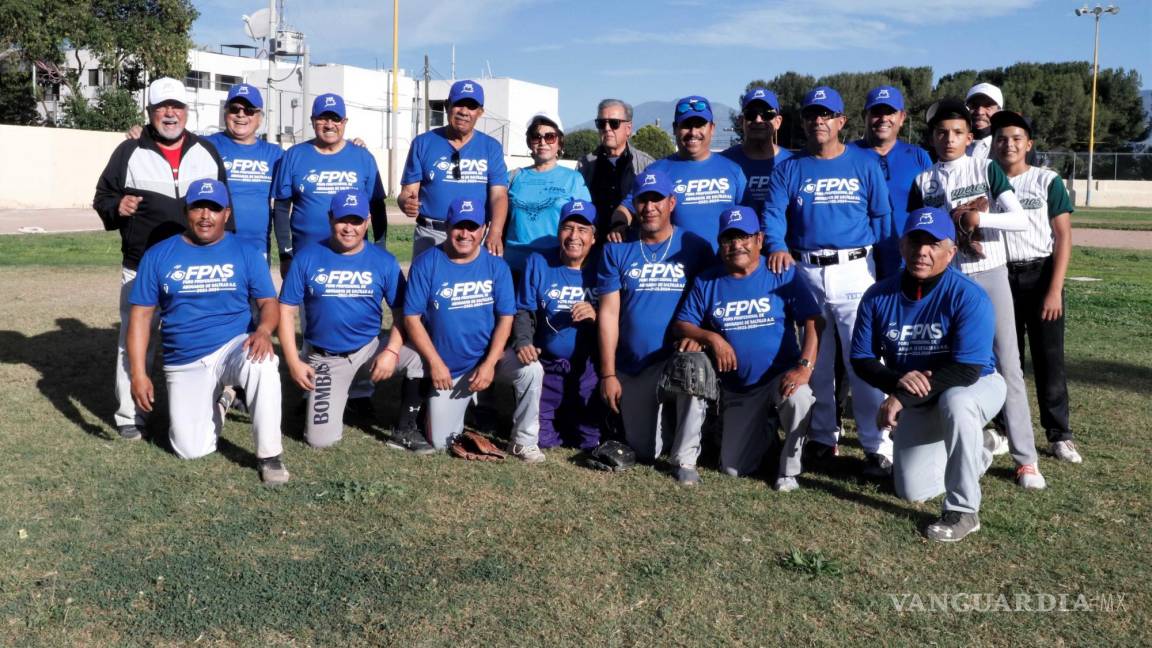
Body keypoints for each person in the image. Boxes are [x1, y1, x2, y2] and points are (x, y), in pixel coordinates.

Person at [909, 98, 1044, 490]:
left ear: (970, 136)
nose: (948, 139)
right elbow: (917, 236)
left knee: (1009, 365)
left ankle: (1026, 460)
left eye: (956, 132)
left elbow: (1020, 219)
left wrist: (977, 218)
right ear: (931, 137)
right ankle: (955, 447)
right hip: (946, 283)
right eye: (940, 132)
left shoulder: (986, 168)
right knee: (949, 365)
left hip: (988, 274)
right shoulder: (923, 181)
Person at [760, 85, 895, 475]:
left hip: (855, 266)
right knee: (815, 362)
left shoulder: (864, 162)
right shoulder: (790, 166)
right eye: (810, 115)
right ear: (802, 121)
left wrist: (886, 275)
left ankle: (877, 445)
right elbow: (773, 215)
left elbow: (882, 220)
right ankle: (822, 438)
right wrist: (776, 245)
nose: (818, 121)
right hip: (806, 268)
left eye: (826, 115)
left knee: (864, 360)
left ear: (841, 121)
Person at [851, 207, 1005, 542]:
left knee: (957, 401)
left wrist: (900, 397)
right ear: (902, 247)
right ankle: (978, 451)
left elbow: (967, 369)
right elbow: (861, 358)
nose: (923, 251)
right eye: (916, 242)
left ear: (951, 253)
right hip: (919, 393)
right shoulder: (879, 295)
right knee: (912, 491)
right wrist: (896, 383)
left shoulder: (968, 294)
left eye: (934, 244)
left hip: (976, 385)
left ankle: (964, 510)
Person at [126, 179, 289, 485]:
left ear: (226, 214)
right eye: (198, 207)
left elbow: (268, 301)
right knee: (190, 450)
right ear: (186, 210)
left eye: (214, 209)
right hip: (185, 357)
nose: (205, 215)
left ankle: (269, 456)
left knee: (263, 363)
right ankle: (224, 399)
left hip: (234, 346)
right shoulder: (159, 255)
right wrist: (138, 373)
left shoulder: (246, 251)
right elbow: (140, 316)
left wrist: (265, 330)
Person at [93, 76, 226, 441]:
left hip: (196, 268)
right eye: (162, 107)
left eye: (177, 107)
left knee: (198, 339)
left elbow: (224, 210)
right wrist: (117, 206)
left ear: (186, 111)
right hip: (142, 264)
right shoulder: (128, 151)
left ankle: (204, 407)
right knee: (135, 339)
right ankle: (129, 415)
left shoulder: (207, 152)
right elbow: (102, 197)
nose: (171, 113)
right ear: (150, 112)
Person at [673, 206, 823, 491]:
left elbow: (814, 321)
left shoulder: (780, 271)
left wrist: (804, 368)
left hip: (781, 378)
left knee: (799, 397)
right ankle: (766, 432)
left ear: (759, 239)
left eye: (743, 237)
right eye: (728, 239)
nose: (736, 245)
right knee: (733, 468)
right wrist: (712, 338)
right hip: (740, 388)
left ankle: (788, 472)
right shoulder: (708, 280)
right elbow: (682, 324)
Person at [277, 189, 432, 453]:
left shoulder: (383, 261)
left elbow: (400, 315)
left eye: (356, 221)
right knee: (319, 441)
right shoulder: (308, 257)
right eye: (342, 220)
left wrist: (392, 351)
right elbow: (285, 311)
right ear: (330, 219)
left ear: (368, 221)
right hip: (327, 358)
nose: (349, 228)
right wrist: (293, 362)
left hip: (370, 349)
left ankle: (406, 428)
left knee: (421, 355)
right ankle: (336, 397)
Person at [402, 198, 544, 457]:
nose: (465, 234)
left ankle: (524, 440)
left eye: (473, 227)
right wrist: (434, 363)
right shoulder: (427, 263)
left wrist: (490, 363)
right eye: (459, 226)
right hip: (447, 368)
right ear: (447, 226)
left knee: (531, 370)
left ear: (485, 228)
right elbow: (411, 318)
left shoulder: (496, 266)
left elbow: (505, 318)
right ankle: (430, 412)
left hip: (488, 360)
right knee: (442, 443)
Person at [598, 169, 714, 485]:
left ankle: (685, 459)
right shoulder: (616, 249)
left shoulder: (695, 246)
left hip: (676, 355)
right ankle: (666, 429)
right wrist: (608, 373)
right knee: (644, 451)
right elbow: (608, 314)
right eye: (643, 200)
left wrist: (701, 338)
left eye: (657, 199)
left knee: (696, 367)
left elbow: (710, 301)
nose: (650, 207)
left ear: (671, 202)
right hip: (635, 364)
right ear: (634, 205)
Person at [992, 111, 1082, 464]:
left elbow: (1063, 237)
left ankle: (1059, 433)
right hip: (1000, 275)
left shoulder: (1046, 180)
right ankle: (1001, 429)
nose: (1008, 144)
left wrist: (1054, 288)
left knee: (1049, 358)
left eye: (1016, 138)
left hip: (1040, 274)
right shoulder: (986, 180)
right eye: (1001, 138)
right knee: (1004, 359)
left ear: (1028, 144)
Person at [513, 198, 603, 451]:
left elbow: (621, 315)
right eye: (568, 227)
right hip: (549, 364)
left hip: (589, 367)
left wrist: (597, 313)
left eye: (583, 230)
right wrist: (523, 341)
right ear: (558, 231)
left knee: (588, 439)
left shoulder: (604, 265)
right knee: (544, 439)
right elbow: (525, 310)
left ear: (594, 237)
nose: (574, 236)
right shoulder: (539, 262)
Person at [272, 92, 388, 276]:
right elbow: (281, 208)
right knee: (301, 304)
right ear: (312, 120)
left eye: (335, 119)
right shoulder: (294, 155)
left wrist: (380, 247)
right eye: (323, 118)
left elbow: (377, 207)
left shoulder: (363, 157)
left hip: (352, 256)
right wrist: (285, 254)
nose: (329, 124)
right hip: (305, 254)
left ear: (344, 122)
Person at [611, 95, 746, 251]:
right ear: (675, 128)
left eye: (700, 125)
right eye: (686, 125)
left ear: (712, 128)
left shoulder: (733, 170)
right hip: (675, 267)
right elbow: (626, 208)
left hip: (723, 267)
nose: (693, 132)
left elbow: (750, 217)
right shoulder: (657, 171)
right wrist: (618, 225)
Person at [398, 80, 509, 257]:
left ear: (480, 112)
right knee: (425, 283)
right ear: (447, 106)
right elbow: (407, 192)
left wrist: (495, 232)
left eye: (471, 106)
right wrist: (406, 203)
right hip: (431, 234)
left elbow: (499, 195)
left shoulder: (491, 147)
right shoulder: (423, 143)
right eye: (458, 104)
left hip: (474, 235)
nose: (464, 112)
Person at [503, 112, 592, 273]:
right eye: (536, 137)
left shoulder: (573, 179)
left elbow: (586, 224)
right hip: (513, 265)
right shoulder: (512, 177)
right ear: (530, 142)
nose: (542, 142)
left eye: (550, 136)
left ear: (560, 142)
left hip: (553, 266)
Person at [850, 85, 932, 243]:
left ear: (902, 118)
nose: (883, 119)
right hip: (858, 256)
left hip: (906, 253)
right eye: (876, 112)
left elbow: (932, 205)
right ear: (864, 116)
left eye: (890, 112)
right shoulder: (846, 154)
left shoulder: (918, 156)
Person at [576, 99, 655, 239]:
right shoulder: (585, 165)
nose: (607, 128)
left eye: (614, 123)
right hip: (595, 248)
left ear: (628, 128)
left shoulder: (646, 165)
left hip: (634, 245)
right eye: (601, 123)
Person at [720, 87, 793, 214]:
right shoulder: (723, 162)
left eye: (767, 114)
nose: (758, 120)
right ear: (742, 121)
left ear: (778, 122)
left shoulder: (793, 163)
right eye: (751, 114)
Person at [965, 82, 1003, 162]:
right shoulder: (953, 143)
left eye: (988, 106)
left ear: (999, 111)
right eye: (974, 105)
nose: (980, 112)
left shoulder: (1008, 147)